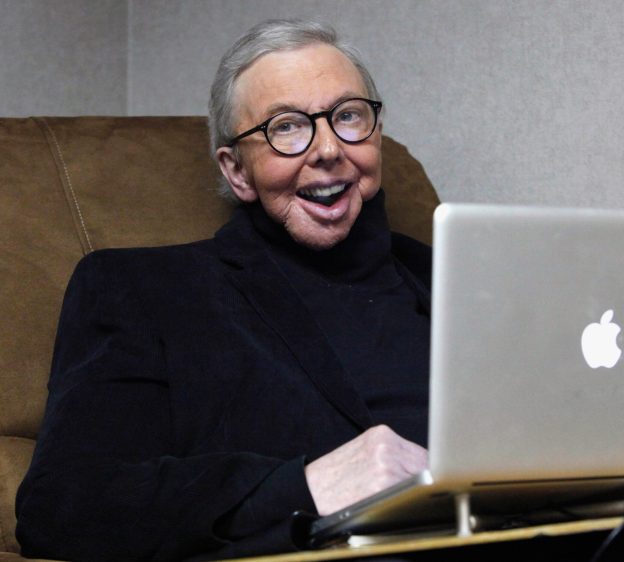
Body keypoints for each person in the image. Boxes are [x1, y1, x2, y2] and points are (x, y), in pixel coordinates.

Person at [16, 19, 430, 562]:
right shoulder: (143, 291)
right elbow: (63, 504)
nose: (328, 148)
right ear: (237, 171)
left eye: (348, 115)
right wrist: (302, 488)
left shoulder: (454, 271)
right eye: (287, 127)